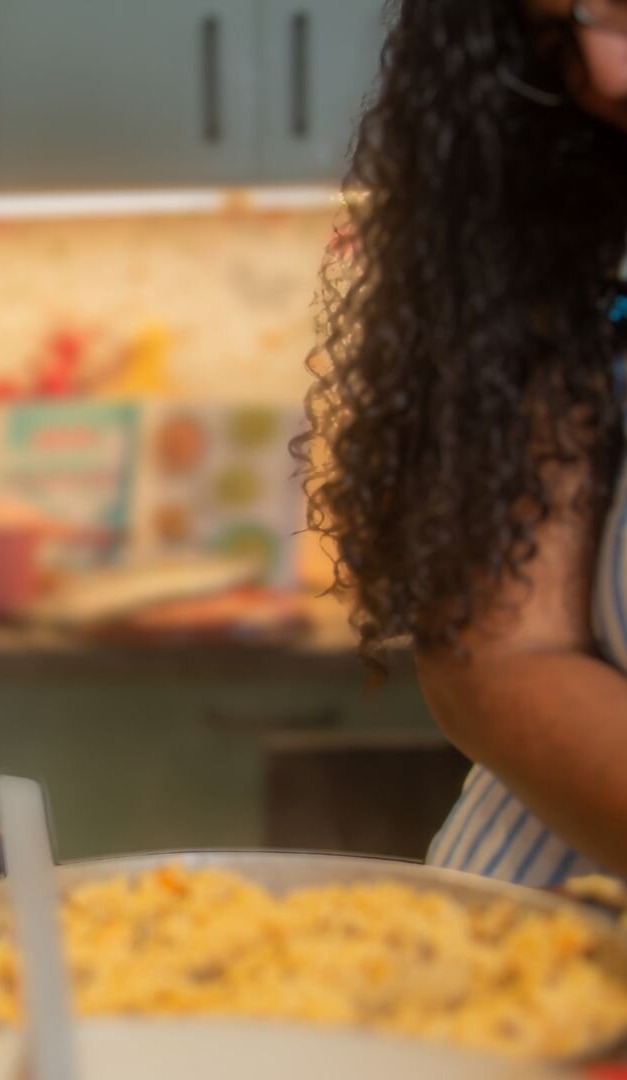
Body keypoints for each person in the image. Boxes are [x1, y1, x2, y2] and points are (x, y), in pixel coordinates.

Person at [299, 0, 627, 886]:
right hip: (545, 928)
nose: (607, 68)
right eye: (578, 17)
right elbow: (501, 653)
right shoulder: (579, 243)